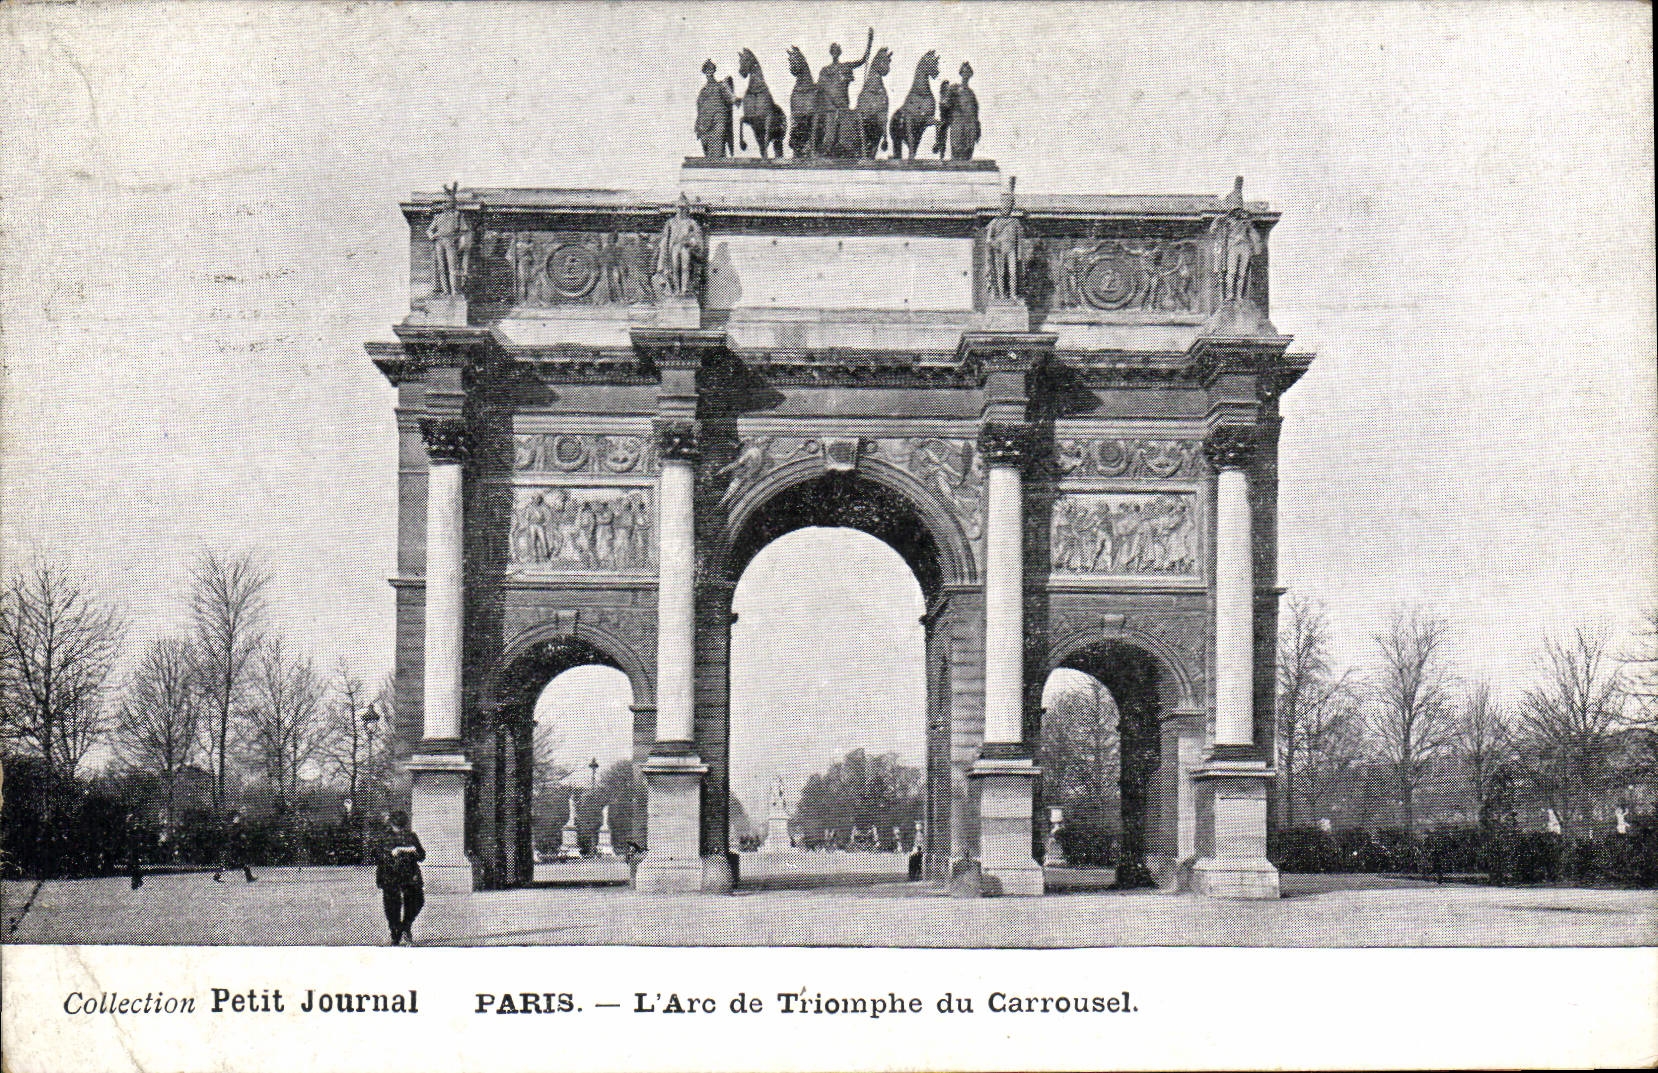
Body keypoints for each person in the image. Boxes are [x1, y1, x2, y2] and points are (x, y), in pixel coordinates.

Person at [375, 810, 426, 945]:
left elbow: (422, 856)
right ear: (391, 824)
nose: (399, 828)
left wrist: (411, 851)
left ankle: (405, 926)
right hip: (390, 875)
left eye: (401, 825)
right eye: (397, 825)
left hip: (410, 876)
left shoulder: (411, 836)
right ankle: (395, 933)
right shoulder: (385, 837)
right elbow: (379, 857)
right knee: (392, 906)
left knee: (417, 901)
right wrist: (391, 854)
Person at [213, 809, 256, 883]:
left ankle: (249, 877)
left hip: (236, 846)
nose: (238, 818)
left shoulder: (235, 826)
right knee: (231, 863)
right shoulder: (234, 827)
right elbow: (234, 836)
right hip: (234, 847)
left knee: (239, 862)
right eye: (237, 817)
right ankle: (249, 877)